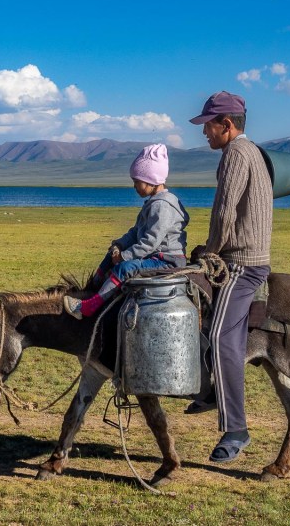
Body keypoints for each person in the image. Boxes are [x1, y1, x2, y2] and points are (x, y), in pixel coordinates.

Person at [186, 91, 272, 463]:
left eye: (208, 126)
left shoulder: (235, 154)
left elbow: (224, 211)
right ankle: (208, 390)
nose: (205, 132)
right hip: (244, 257)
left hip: (242, 264)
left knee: (221, 336)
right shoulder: (253, 152)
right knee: (197, 313)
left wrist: (210, 250)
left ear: (227, 125)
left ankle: (236, 429)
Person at [63, 143, 189, 319]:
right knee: (111, 256)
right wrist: (119, 245)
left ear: (151, 180)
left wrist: (124, 257)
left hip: (167, 260)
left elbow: (150, 242)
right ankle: (92, 291)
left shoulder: (162, 206)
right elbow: (135, 231)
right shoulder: (153, 203)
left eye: (137, 181)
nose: (134, 186)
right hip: (155, 257)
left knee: (125, 268)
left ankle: (90, 307)